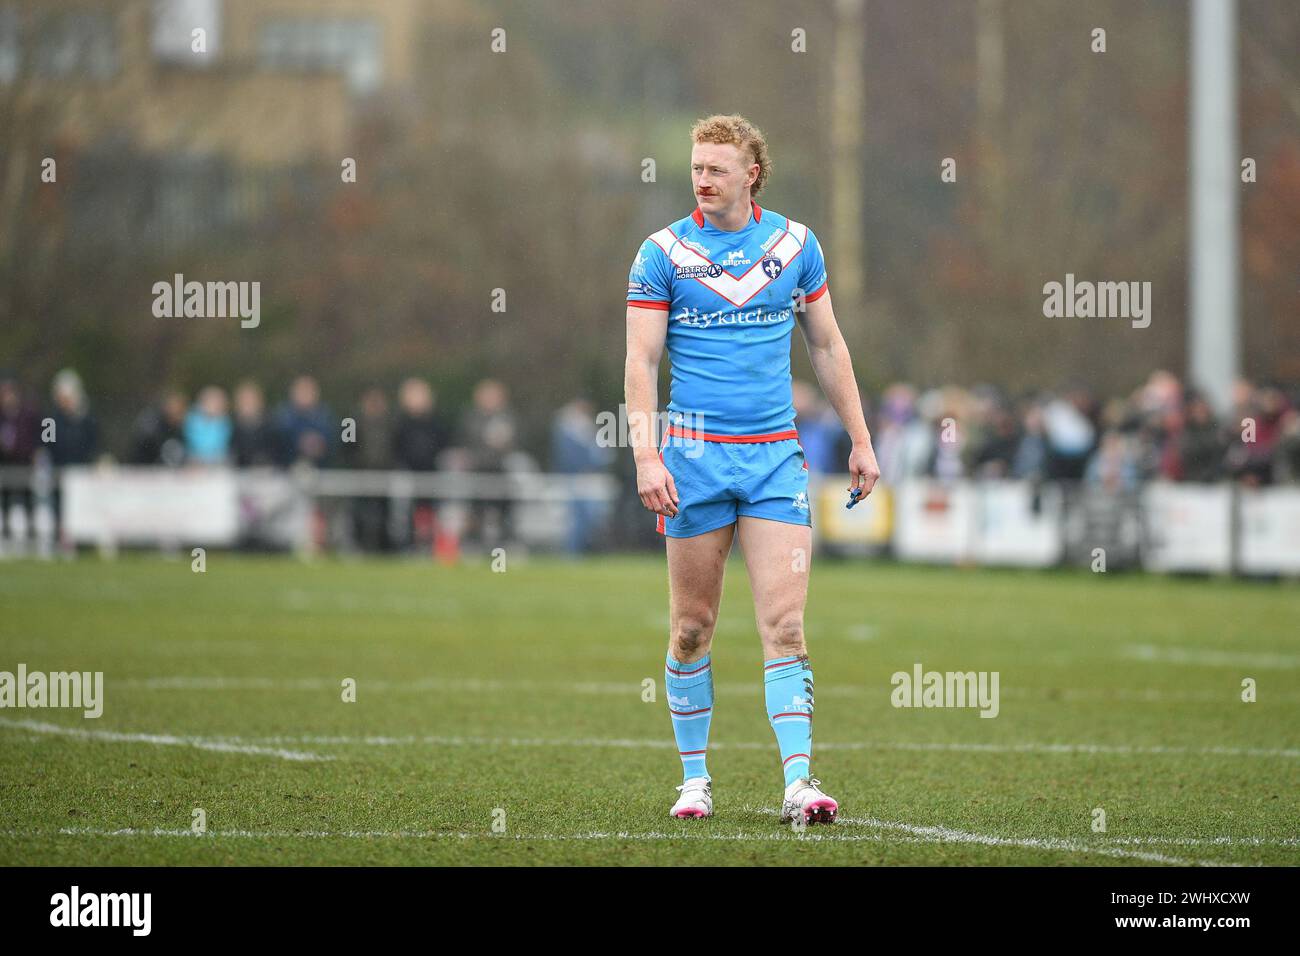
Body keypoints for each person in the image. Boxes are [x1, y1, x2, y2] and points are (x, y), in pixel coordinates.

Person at [625, 114, 880, 825]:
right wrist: (647, 455)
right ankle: (695, 780)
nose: (702, 180)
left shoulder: (796, 246)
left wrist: (860, 439)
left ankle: (800, 783)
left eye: (716, 168)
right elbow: (641, 361)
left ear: (751, 174)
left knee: (786, 626)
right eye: (696, 167)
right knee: (692, 628)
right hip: (693, 461)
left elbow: (828, 346)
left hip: (775, 461)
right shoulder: (662, 253)